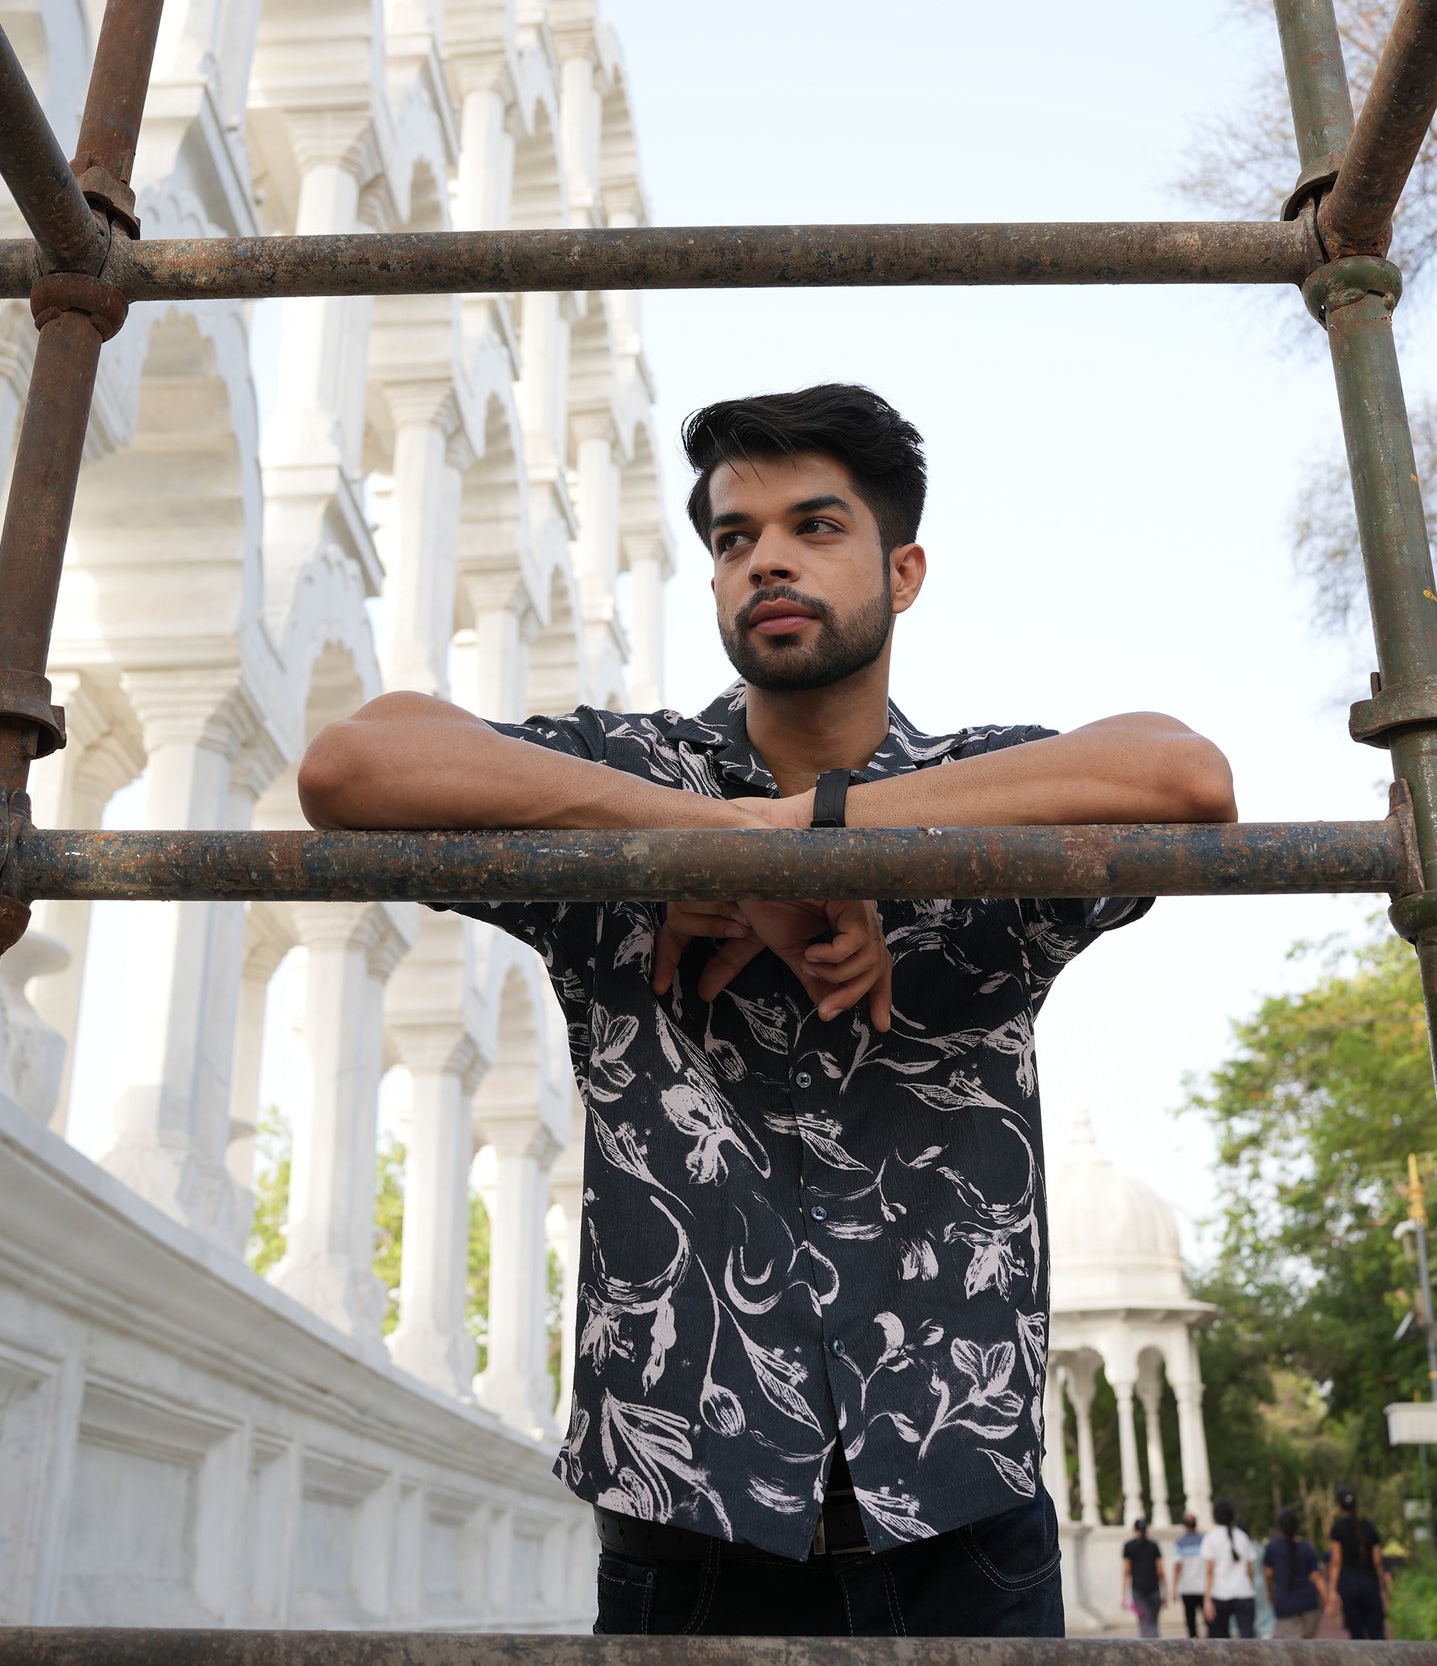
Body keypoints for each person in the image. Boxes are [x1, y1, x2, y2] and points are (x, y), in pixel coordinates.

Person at [300, 383, 1236, 1639]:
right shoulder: (628, 785)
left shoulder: (978, 793)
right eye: (734, 539)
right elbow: (353, 763)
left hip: (960, 1506)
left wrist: (826, 836)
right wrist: (703, 845)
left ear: (901, 571)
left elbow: (1184, 774)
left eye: (813, 525)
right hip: (687, 1502)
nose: (767, 560)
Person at [1330, 1486, 1389, 1640]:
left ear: (1339, 1505)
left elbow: (1336, 1561)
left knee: (1356, 1636)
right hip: (1370, 1583)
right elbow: (1377, 1561)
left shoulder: (1338, 1528)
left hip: (1349, 1584)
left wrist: (1333, 1591)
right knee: (1377, 1633)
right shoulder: (1369, 1526)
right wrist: (1382, 1588)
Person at [1265, 1506, 1327, 1638]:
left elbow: (1268, 1574)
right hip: (1309, 1605)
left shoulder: (1273, 1547)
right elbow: (1317, 1578)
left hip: (1285, 1605)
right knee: (1308, 1648)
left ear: (1279, 1527)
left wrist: (1270, 1593)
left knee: (1294, 1650)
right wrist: (1327, 1600)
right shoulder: (1306, 1547)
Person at [1202, 1498, 1256, 1637]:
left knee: (1219, 1643)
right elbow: (1250, 1569)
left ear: (1214, 1517)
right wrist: (1250, 1585)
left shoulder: (1210, 1538)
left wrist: (1207, 1599)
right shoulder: (1242, 1536)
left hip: (1220, 1594)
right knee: (1248, 1642)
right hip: (1243, 1592)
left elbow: (1209, 1571)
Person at [1122, 1517, 1165, 1638]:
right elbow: (1160, 1571)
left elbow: (1126, 1571)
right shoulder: (1154, 1546)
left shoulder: (1129, 1546)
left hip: (1138, 1590)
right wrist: (1165, 1592)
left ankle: (1148, 1650)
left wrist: (1124, 1595)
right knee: (1154, 1623)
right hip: (1154, 1589)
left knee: (1144, 1623)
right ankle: (1157, 1648)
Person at [1171, 1512, 1208, 1636]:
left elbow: (1177, 1567)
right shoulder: (1204, 1540)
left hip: (1187, 1587)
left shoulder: (1179, 1543)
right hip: (1203, 1587)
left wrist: (1174, 1588)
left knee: (1190, 1621)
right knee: (1208, 1620)